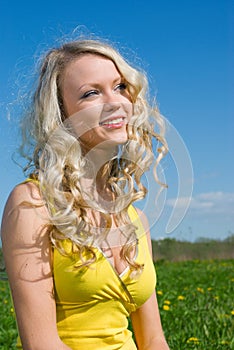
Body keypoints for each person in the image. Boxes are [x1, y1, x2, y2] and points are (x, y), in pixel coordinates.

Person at [1, 36, 170, 350]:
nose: (115, 101)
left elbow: (153, 339)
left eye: (120, 87)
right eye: (92, 93)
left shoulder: (137, 219)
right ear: (62, 114)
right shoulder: (31, 204)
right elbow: (42, 345)